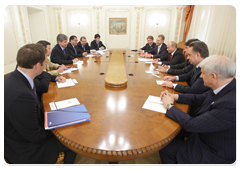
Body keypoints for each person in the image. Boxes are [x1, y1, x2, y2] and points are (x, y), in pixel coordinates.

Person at [4, 44, 77, 165]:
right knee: (71, 140)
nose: (46, 65)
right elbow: (35, 135)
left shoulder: (17, 76)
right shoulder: (22, 96)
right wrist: (59, 127)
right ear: (38, 66)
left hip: (23, 131)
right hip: (25, 149)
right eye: (45, 62)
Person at [159, 55, 238, 166]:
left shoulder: (231, 104)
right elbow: (200, 98)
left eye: (203, 73)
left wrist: (169, 105)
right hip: (208, 132)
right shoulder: (227, 85)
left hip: (215, 152)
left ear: (213, 76)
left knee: (166, 148)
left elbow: (192, 124)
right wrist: (174, 97)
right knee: (174, 130)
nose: (200, 76)